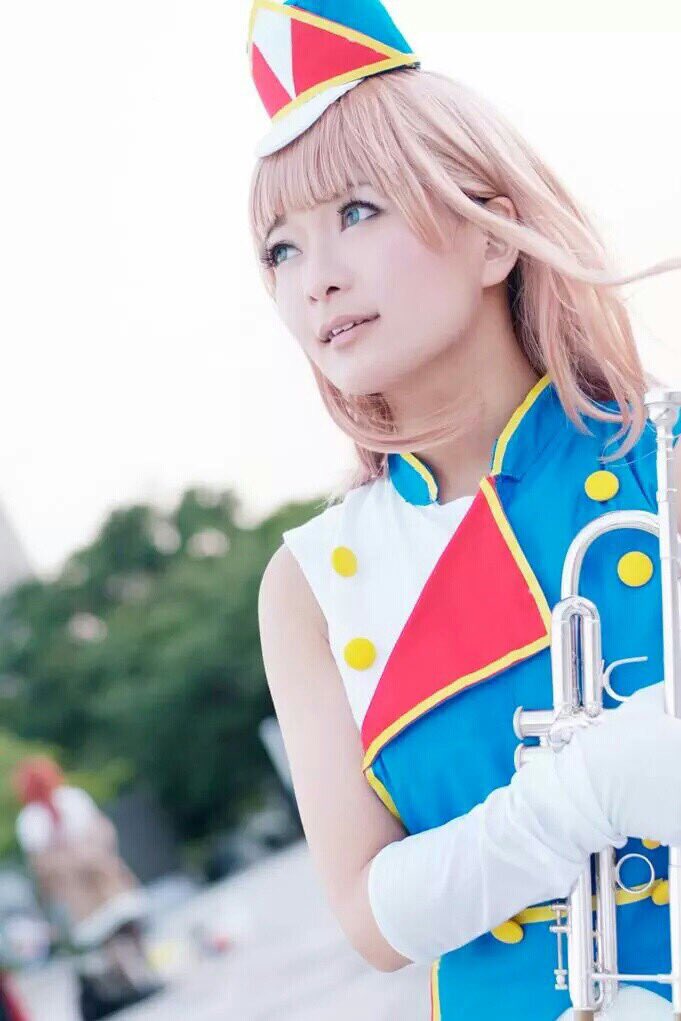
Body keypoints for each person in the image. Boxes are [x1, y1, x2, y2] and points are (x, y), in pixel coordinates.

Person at [248, 2, 681, 1019]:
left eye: (358, 211)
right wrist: (579, 797)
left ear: (490, 236)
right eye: (280, 249)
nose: (319, 280)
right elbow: (371, 918)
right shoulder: (309, 583)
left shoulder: (664, 452)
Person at [13, 757, 162, 1020]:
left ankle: (142, 975)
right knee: (107, 935)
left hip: (102, 874)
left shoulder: (72, 799)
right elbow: (42, 865)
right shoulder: (31, 821)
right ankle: (131, 982)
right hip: (76, 890)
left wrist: (90, 855)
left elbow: (101, 831)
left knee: (126, 925)